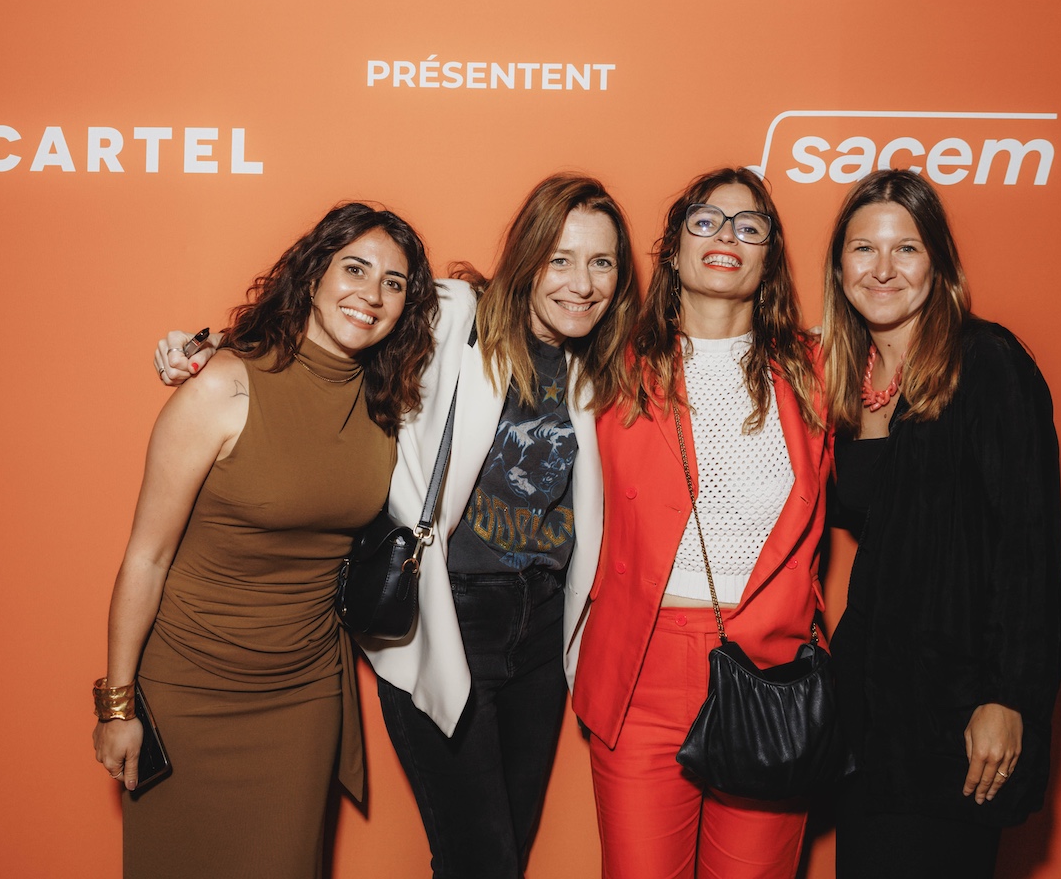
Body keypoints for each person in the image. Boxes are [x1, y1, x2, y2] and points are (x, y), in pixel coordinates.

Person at [158, 174, 641, 878]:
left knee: (503, 857)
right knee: (482, 861)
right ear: (527, 256)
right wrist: (211, 348)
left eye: (601, 263)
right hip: (450, 614)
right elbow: (348, 316)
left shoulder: (603, 361)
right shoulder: (456, 315)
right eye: (559, 259)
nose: (582, 283)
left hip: (543, 628)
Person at [92, 202, 437, 879]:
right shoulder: (222, 386)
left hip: (302, 696)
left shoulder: (387, 404)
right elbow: (146, 558)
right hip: (188, 687)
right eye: (355, 269)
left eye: (393, 283)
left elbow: (495, 306)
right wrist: (117, 704)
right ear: (313, 275)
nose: (371, 294)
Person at [571, 167, 831, 879]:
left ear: (769, 256)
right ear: (674, 246)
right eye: (706, 220)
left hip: (771, 672)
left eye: (750, 226)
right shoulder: (611, 366)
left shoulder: (815, 370)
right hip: (641, 673)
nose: (727, 236)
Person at [821, 169, 1061, 879]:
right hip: (870, 717)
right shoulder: (849, 379)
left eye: (907, 248)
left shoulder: (986, 362)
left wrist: (1011, 697)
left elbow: (1029, 547)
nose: (883, 269)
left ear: (939, 264)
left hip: (954, 714)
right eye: (864, 248)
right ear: (839, 268)